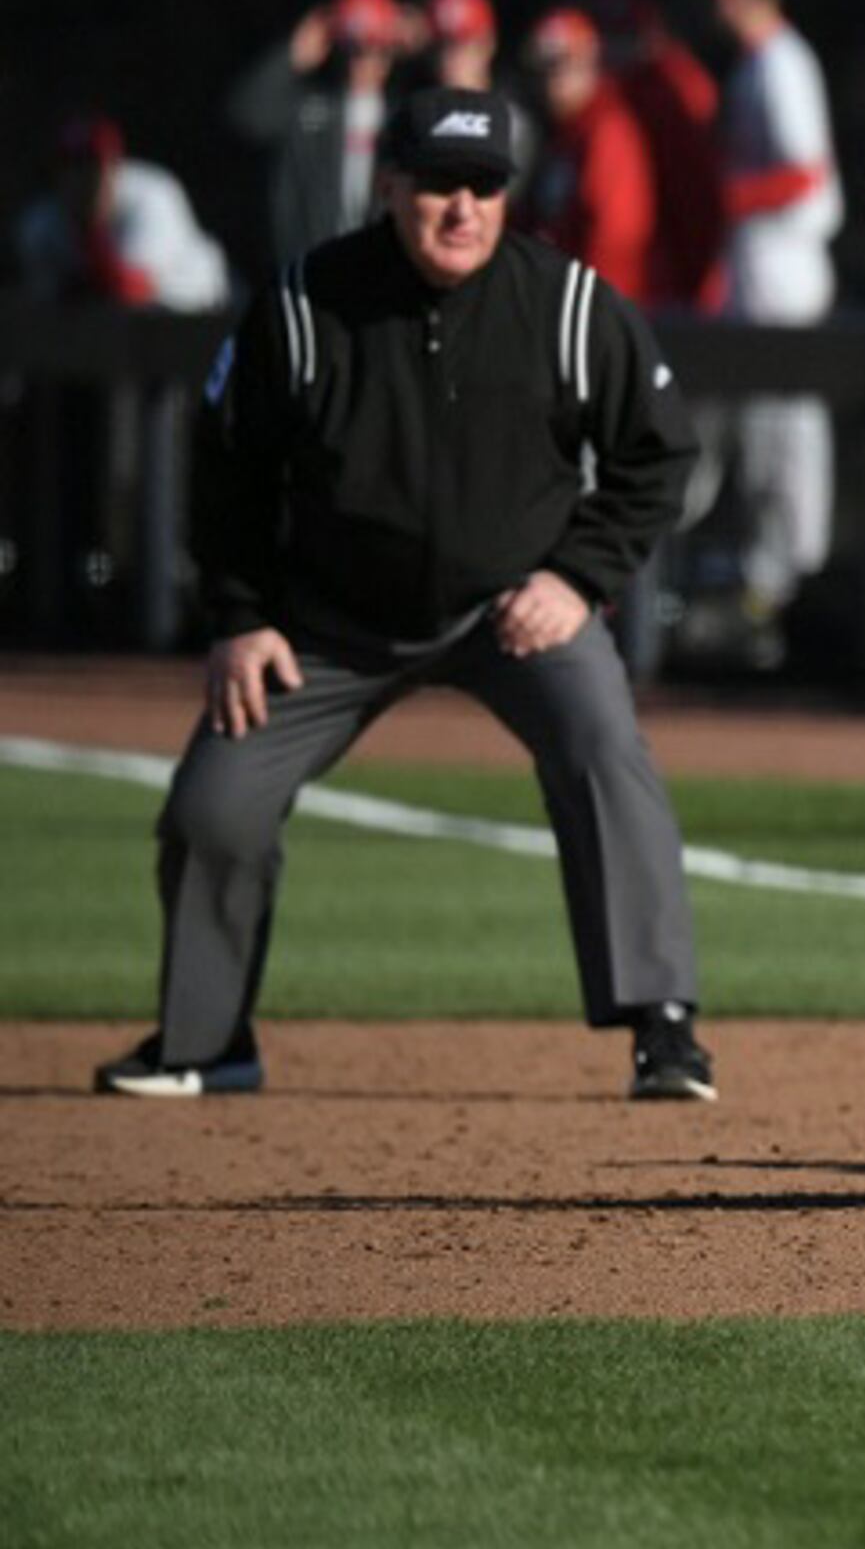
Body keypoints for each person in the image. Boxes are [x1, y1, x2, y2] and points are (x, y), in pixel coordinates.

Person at [90, 87, 710, 1103]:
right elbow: (228, 475)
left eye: (483, 187)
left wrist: (574, 576)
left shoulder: (566, 303)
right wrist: (241, 620)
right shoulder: (303, 306)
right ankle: (207, 1041)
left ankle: (666, 1027)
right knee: (214, 806)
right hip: (329, 623)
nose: (461, 208)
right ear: (390, 187)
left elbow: (659, 454)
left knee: (604, 747)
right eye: (437, 186)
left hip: (513, 607)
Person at [703, 0, 842, 641]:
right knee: (764, 440)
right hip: (763, 272)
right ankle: (769, 582)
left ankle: (794, 581)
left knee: (787, 440)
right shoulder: (758, 63)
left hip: (788, 272)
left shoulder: (782, 62)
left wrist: (729, 197)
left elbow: (804, 173)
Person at [226, 0, 410, 280]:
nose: (361, 62)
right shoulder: (312, 113)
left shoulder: (404, 117)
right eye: (352, 50)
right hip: (314, 272)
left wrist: (426, 41)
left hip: (383, 276)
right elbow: (248, 116)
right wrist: (294, 55)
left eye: (375, 49)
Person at [18, 116, 229, 311]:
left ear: (115, 166)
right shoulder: (40, 222)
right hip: (134, 333)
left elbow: (128, 291)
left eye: (94, 165)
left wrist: (91, 230)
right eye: (73, 166)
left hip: (206, 310)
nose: (84, 179)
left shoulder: (150, 195)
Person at [601, 0, 724, 312]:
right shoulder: (608, 97)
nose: (618, 54)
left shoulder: (678, 82)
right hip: (643, 253)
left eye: (628, 39)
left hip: (678, 249)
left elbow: (696, 189)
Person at [521, 9, 656, 300]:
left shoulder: (607, 130)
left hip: (597, 305)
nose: (550, 81)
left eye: (560, 67)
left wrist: (591, 305)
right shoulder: (562, 132)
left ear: (589, 64)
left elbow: (617, 237)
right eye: (543, 69)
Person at [422, 0, 542, 180]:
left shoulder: (512, 124)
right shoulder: (416, 119)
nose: (449, 59)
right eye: (442, 45)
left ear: (488, 44)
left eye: (462, 44)